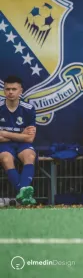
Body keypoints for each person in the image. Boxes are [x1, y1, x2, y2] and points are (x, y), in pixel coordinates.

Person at [0, 76, 37, 205]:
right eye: (8, 89)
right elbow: (24, 136)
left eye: (14, 89)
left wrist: (4, 133)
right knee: (5, 159)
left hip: (22, 144)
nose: (10, 92)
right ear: (4, 91)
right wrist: (20, 134)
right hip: (4, 145)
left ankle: (21, 193)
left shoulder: (28, 109)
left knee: (30, 155)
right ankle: (24, 194)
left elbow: (30, 138)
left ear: (20, 90)